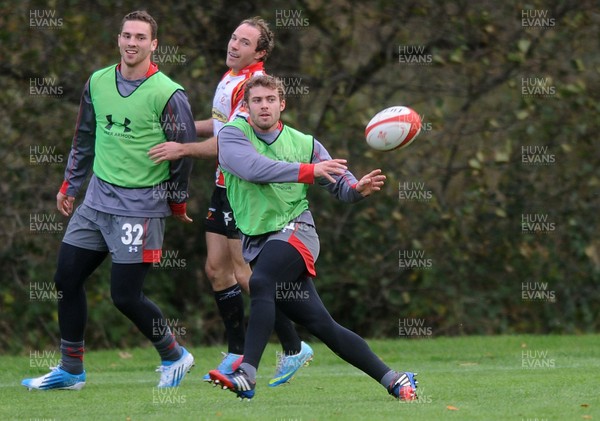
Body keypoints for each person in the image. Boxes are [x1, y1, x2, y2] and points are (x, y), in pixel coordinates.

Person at [209, 75, 419, 401]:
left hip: (297, 232)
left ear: (282, 104)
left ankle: (247, 373)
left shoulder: (306, 143)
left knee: (261, 282)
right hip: (258, 242)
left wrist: (355, 189)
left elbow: (339, 183)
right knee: (323, 325)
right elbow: (254, 169)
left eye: (270, 100)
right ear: (247, 108)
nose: (264, 105)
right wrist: (309, 172)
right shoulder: (233, 137)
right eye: (257, 101)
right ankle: (395, 379)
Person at [22, 10, 196, 390]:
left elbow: (181, 153)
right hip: (97, 201)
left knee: (124, 295)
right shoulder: (97, 81)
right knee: (66, 278)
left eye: (140, 37)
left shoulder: (169, 93)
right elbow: (83, 137)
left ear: (154, 45)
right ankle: (71, 370)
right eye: (126, 35)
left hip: (141, 208)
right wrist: (70, 185)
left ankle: (174, 355)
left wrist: (177, 202)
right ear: (118, 39)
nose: (131, 43)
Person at [148, 17, 313, 385]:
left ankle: (292, 346)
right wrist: (174, 124)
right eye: (234, 36)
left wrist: (182, 147)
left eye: (244, 42)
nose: (234, 45)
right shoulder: (230, 78)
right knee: (216, 270)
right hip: (222, 184)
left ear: (260, 53)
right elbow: (217, 125)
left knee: (246, 274)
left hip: (241, 187)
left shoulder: (252, 85)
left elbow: (228, 143)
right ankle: (237, 351)